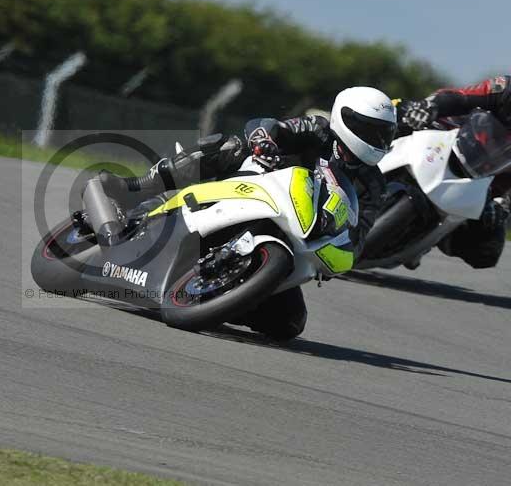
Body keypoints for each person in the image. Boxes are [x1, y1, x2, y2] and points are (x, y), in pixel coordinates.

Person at [99, 86, 397, 339]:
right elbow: (267, 125)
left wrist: (337, 248)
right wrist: (264, 141)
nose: (378, 140)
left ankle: (219, 296)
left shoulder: (374, 184)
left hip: (297, 234)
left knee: (289, 324)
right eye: (370, 130)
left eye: (384, 134)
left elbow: (358, 237)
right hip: (253, 186)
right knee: (229, 146)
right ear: (345, 118)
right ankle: (138, 187)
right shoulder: (317, 129)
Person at [396, 76, 511, 269]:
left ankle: (427, 239)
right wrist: (430, 107)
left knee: (487, 251)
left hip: (482, 181)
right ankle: (346, 174)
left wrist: (503, 204)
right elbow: (461, 97)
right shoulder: (506, 89)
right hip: (447, 134)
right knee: (395, 111)